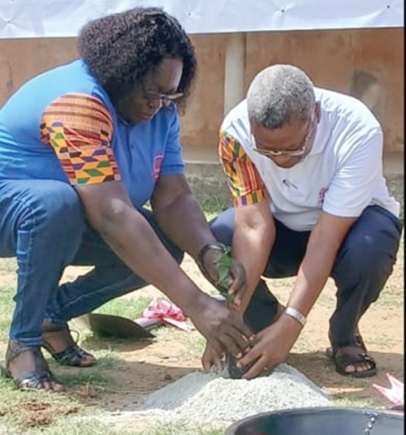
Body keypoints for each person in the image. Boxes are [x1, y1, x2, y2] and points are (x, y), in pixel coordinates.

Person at [0, 7, 252, 392]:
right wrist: (197, 304)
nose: (161, 104)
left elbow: (173, 197)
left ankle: (52, 315)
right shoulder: (79, 102)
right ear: (119, 74)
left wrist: (208, 252)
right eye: (152, 91)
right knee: (57, 203)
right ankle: (24, 342)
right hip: (15, 210)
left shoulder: (162, 113)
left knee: (162, 245)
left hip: (68, 216)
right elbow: (113, 214)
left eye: (172, 94)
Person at [202, 64, 402, 379]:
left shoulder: (357, 128)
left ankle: (344, 332)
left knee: (370, 249)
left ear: (316, 116)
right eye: (266, 150)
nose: (280, 159)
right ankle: (267, 319)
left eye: (293, 148)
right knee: (218, 239)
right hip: (281, 228)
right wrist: (232, 316)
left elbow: (326, 235)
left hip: (350, 229)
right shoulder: (235, 132)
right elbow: (254, 226)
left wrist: (295, 321)